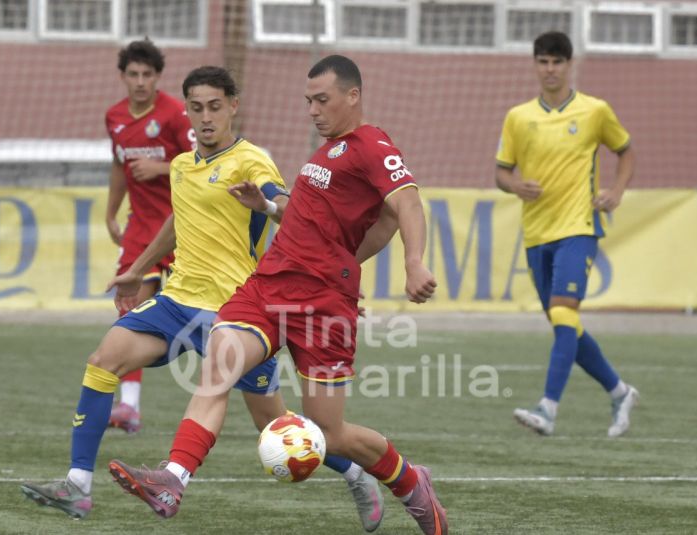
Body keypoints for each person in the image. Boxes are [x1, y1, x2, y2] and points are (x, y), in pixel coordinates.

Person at [21, 66, 385, 533]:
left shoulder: (251, 159)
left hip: (237, 312)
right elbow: (177, 221)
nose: (206, 117)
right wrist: (138, 270)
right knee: (102, 360)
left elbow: (291, 211)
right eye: (196, 108)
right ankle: (78, 485)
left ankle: (356, 474)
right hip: (176, 302)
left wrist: (269, 206)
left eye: (215, 106)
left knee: (273, 426)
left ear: (233, 106)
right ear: (187, 111)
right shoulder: (181, 166)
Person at [107, 55, 449, 535]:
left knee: (329, 433)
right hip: (269, 285)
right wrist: (267, 206)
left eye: (322, 100)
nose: (312, 111)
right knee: (220, 363)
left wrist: (412, 262)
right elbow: (317, 225)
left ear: (353, 96)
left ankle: (411, 482)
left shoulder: (372, 144)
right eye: (308, 101)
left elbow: (404, 204)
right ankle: (173, 478)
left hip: (324, 305)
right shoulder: (325, 154)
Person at [494, 31, 639, 437]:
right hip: (536, 234)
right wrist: (515, 185)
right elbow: (501, 172)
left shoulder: (595, 111)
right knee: (565, 324)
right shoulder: (518, 117)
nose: (550, 69)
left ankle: (548, 408)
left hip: (579, 226)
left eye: (557, 61)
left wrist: (616, 191)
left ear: (569, 64)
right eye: (543, 61)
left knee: (562, 313)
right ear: (535, 65)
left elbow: (626, 151)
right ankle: (620, 391)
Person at [103, 38, 196, 433]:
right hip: (140, 227)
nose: (140, 81)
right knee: (129, 306)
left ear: (158, 77)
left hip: (182, 227)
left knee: (205, 314)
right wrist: (110, 212)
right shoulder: (114, 117)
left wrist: (159, 169)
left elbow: (200, 162)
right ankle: (129, 405)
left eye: (147, 74)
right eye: (133, 74)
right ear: (123, 76)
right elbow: (118, 165)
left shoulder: (176, 115)